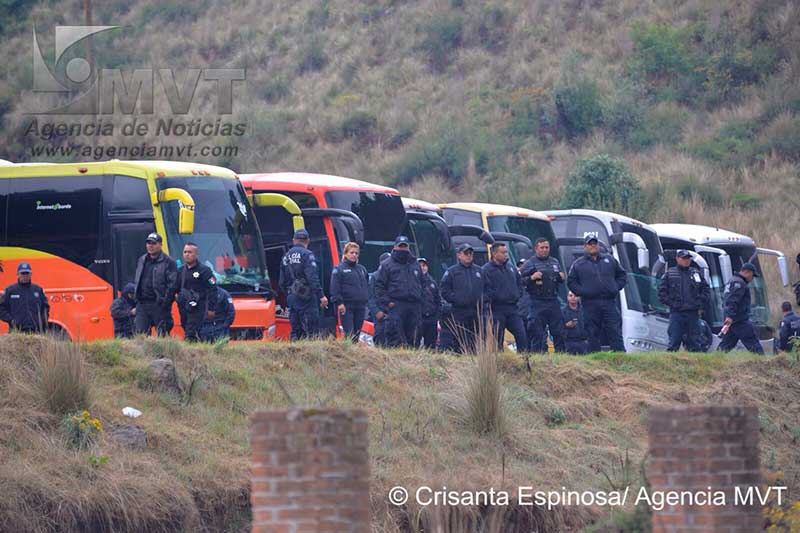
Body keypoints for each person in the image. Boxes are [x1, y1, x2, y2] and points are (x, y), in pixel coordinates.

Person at [567, 235, 627, 352]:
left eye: (595, 243)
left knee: (614, 329)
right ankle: (594, 357)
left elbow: (622, 275)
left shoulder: (609, 260)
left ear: (598, 245)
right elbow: (571, 282)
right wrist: (583, 292)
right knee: (592, 332)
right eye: (590, 244)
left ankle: (619, 355)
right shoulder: (578, 264)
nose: (593, 246)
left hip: (609, 301)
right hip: (590, 303)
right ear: (585, 246)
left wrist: (615, 287)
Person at [374, 236, 423, 348]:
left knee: (415, 338)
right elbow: (379, 286)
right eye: (400, 246)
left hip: (414, 306)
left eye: (405, 246)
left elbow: (422, 284)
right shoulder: (387, 265)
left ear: (408, 247)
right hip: (396, 305)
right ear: (395, 247)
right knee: (396, 339)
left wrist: (421, 301)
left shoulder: (415, 264)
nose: (403, 249)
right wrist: (387, 303)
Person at [657, 249, 711, 352]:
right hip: (677, 313)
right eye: (684, 258)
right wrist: (673, 304)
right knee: (674, 341)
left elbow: (706, 290)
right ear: (677, 259)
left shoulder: (696, 273)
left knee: (695, 342)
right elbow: (661, 293)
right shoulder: (670, 274)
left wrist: (699, 303)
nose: (686, 261)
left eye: (688, 258)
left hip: (693, 314)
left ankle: (695, 364)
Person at [279, 229, 328, 340]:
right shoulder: (307, 255)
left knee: (295, 331)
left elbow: (281, 282)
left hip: (292, 296)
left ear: (294, 240)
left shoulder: (285, 257)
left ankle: (294, 354)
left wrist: (289, 295)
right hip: (307, 297)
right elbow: (312, 278)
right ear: (308, 241)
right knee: (312, 331)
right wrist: (321, 296)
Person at [521, 238, 566, 352]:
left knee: (558, 332)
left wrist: (561, 277)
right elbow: (519, 281)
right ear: (536, 249)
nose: (545, 250)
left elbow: (560, 277)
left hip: (553, 300)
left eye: (547, 247)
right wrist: (531, 278)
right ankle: (537, 358)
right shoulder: (529, 263)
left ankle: (561, 356)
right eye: (542, 248)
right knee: (537, 333)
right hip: (537, 301)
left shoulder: (554, 261)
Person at [440, 243, 485, 353]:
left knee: (475, 339)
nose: (469, 256)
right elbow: (444, 290)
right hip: (459, 311)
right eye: (466, 253)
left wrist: (483, 300)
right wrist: (457, 299)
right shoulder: (452, 272)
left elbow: (488, 288)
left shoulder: (479, 271)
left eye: (470, 253)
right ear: (459, 255)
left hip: (476, 311)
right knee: (460, 340)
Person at [482, 243, 527, 353]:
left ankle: (524, 359)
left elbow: (519, 283)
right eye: (503, 252)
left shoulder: (511, 267)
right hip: (496, 309)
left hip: (513, 308)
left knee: (521, 334)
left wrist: (518, 294)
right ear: (494, 253)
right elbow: (484, 289)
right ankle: (501, 361)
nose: (506, 254)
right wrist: (495, 297)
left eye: (506, 252)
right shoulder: (486, 270)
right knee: (498, 338)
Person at [133, 233, 178, 336]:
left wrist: (165, 302)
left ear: (160, 244)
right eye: (148, 243)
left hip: (159, 304)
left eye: (153, 243)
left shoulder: (169, 262)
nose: (150, 246)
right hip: (142, 304)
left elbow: (173, 285)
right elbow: (137, 279)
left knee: (162, 335)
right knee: (141, 336)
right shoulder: (142, 259)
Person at [175, 243, 217, 342]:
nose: (187, 254)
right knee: (186, 327)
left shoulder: (204, 271)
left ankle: (189, 351)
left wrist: (211, 308)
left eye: (190, 252)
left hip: (198, 307)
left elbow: (213, 289)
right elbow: (175, 287)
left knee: (191, 332)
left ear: (196, 254)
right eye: (185, 252)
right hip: (184, 307)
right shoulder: (180, 271)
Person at [718, 263, 764, 354]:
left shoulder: (732, 280)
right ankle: (764, 363)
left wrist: (729, 316)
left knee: (726, 345)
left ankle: (713, 362)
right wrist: (730, 316)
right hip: (739, 319)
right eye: (752, 275)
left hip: (733, 320)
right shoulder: (739, 283)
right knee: (753, 342)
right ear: (747, 272)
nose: (752, 278)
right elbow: (732, 300)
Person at [330, 242, 369, 342]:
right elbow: (335, 288)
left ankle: (355, 353)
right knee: (349, 333)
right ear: (346, 254)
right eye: (352, 252)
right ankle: (348, 351)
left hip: (360, 305)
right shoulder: (339, 269)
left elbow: (366, 285)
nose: (354, 255)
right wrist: (339, 303)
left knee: (357, 334)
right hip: (347, 306)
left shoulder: (362, 269)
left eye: (356, 253)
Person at [0, 262, 50, 334]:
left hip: (35, 331)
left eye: (27, 273)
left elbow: (45, 307)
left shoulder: (38, 290)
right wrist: (11, 320)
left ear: (31, 274)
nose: (25, 276)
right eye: (22, 273)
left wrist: (41, 321)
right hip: (16, 332)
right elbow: (1, 308)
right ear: (18, 274)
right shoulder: (10, 290)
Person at [368, 252, 391, 347]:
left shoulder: (395, 276)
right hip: (380, 318)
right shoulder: (374, 277)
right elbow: (370, 297)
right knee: (380, 343)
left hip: (393, 316)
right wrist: (376, 312)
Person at [417, 257, 441, 349]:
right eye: (420, 266)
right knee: (415, 345)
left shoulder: (433, 282)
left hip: (431, 319)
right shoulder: (413, 282)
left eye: (424, 265)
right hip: (418, 318)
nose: (422, 268)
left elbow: (438, 301)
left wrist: (437, 317)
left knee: (431, 347)